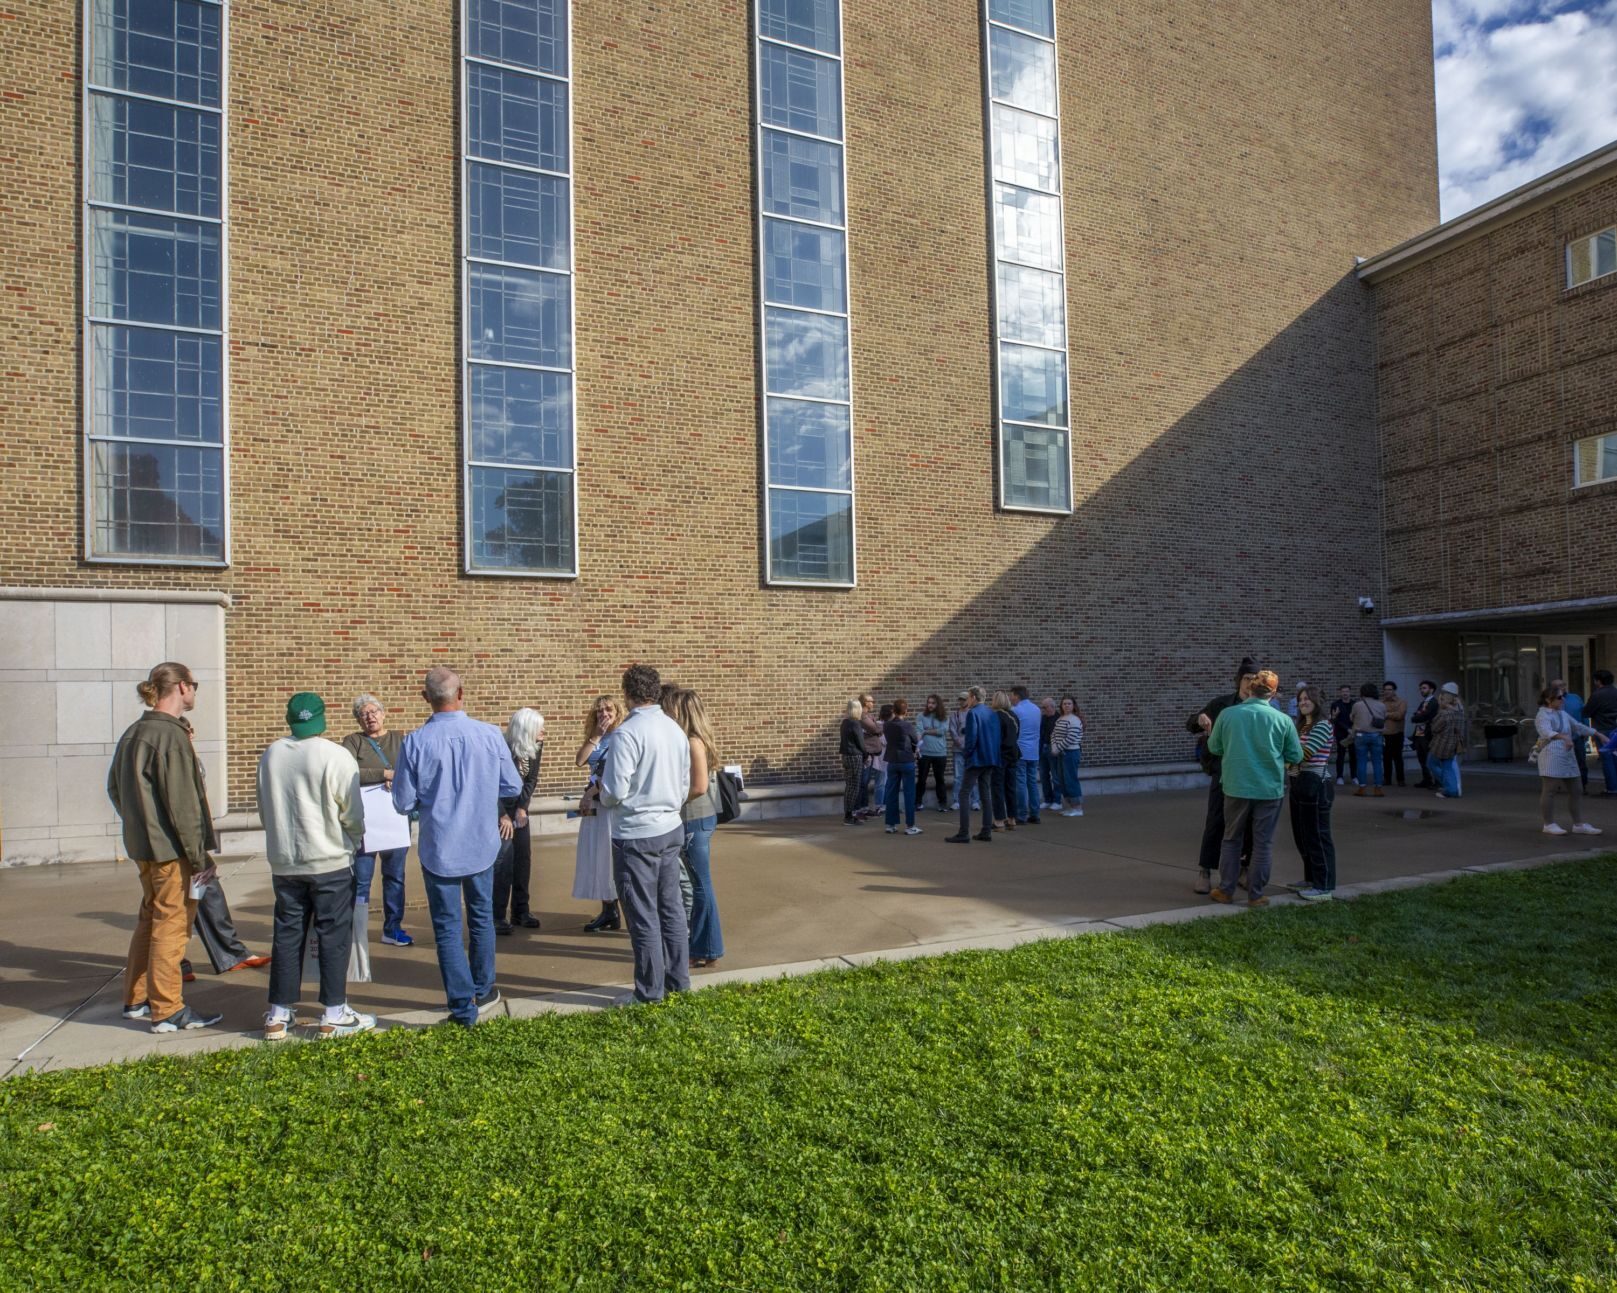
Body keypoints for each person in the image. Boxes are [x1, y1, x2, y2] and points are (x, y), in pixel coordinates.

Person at [391, 666, 520, 1027]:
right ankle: (483, 989)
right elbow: (511, 786)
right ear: (461, 693)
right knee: (481, 920)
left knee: (447, 929)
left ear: (425, 698)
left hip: (440, 848)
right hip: (480, 844)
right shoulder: (490, 735)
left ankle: (464, 1007)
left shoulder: (414, 742)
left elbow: (402, 802)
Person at [108, 662, 224, 1033]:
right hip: (171, 852)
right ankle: (168, 1010)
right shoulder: (168, 736)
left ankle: (137, 999)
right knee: (171, 928)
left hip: (144, 848)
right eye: (194, 686)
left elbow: (114, 788)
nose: (195, 694)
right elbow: (184, 806)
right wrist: (198, 857)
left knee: (150, 920)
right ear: (183, 687)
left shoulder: (135, 732)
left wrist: (140, 826)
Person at [256, 692, 374, 1041]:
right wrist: (354, 840)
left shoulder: (272, 754)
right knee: (333, 935)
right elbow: (352, 812)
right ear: (322, 718)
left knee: (287, 934)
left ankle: (278, 1014)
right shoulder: (335, 755)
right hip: (329, 860)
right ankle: (334, 1012)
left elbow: (264, 808)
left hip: (285, 861)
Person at [599, 664, 692, 1004]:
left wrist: (600, 790)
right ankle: (678, 982)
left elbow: (613, 791)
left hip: (636, 833)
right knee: (671, 909)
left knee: (643, 915)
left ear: (628, 693)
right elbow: (684, 784)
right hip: (670, 826)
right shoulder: (674, 729)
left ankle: (650, 993)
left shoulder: (626, 733)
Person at [1207, 670, 1302, 907]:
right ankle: (1256, 894)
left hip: (1235, 786)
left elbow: (1214, 747)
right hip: (1269, 788)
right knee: (1263, 843)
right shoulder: (1283, 720)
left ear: (1250, 689)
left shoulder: (1228, 715)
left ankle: (1225, 890)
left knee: (1231, 839)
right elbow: (1295, 755)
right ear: (1274, 692)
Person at [341, 693, 413, 947]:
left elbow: (412, 769)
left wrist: (398, 778)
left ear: (384, 714)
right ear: (358, 720)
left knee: (395, 876)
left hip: (394, 820)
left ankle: (393, 928)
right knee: (362, 877)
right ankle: (356, 931)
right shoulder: (353, 742)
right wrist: (383, 773)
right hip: (365, 822)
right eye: (364, 714)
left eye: (374, 712)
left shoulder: (400, 740)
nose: (370, 717)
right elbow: (347, 772)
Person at [663, 688, 725, 969]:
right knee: (701, 885)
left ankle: (704, 948)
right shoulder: (696, 740)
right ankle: (708, 947)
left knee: (701, 887)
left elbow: (698, 787)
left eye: (675, 708)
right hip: (699, 818)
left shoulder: (692, 742)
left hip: (694, 819)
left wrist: (670, 800)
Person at [1188, 658, 1260, 895]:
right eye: (1246, 679)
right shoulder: (1221, 704)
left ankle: (1243, 868)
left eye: (1254, 679)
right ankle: (1205, 870)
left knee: (1249, 822)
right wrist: (1200, 719)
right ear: (1239, 680)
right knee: (1216, 820)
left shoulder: (1262, 707)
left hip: (1250, 773)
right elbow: (1192, 724)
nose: (1250, 683)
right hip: (1223, 772)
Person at [573, 695, 624, 929]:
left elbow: (617, 773)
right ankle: (609, 910)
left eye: (608, 710)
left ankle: (625, 909)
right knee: (596, 856)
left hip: (609, 802)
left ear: (617, 712)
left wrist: (590, 792)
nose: (604, 714)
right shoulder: (597, 736)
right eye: (600, 711)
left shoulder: (623, 735)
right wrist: (595, 735)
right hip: (594, 802)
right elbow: (581, 761)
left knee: (611, 855)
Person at [493, 708, 544, 935]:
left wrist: (523, 808)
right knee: (504, 863)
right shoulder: (501, 749)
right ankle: (497, 914)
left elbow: (531, 779)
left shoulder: (535, 746)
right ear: (526, 730)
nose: (543, 732)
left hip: (520, 808)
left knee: (523, 859)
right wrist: (502, 814)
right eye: (539, 728)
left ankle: (520, 910)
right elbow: (491, 785)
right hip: (501, 808)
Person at [1287, 685, 1337, 901]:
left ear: (1317, 701)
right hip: (1298, 781)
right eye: (1300, 699)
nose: (1303, 702)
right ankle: (1310, 879)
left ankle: (1324, 886)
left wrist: (1286, 755)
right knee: (1302, 835)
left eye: (1307, 698)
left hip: (1315, 783)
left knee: (1317, 835)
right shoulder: (1301, 726)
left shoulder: (1323, 725)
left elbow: (1305, 753)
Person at [1533, 686, 1604, 838]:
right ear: (1548, 700)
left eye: (1563, 696)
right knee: (1550, 790)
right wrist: (1564, 737)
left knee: (1577, 789)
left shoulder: (1562, 713)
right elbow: (1545, 732)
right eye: (1559, 697)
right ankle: (1549, 823)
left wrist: (1597, 734)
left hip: (1567, 754)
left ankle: (1579, 824)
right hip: (1551, 753)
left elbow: (1577, 726)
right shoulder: (1543, 714)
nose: (1563, 699)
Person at [946, 686, 1000, 843]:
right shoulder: (991, 713)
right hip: (990, 758)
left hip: (976, 759)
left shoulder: (973, 713)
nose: (967, 700)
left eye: (969, 697)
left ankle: (963, 833)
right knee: (985, 794)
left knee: (964, 794)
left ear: (974, 698)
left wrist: (967, 754)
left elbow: (971, 739)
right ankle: (986, 830)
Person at [882, 698, 922, 835]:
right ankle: (910, 826)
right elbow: (915, 741)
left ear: (893, 710)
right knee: (909, 793)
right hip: (906, 760)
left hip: (892, 760)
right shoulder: (907, 726)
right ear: (906, 711)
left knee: (891, 793)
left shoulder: (886, 725)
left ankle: (890, 824)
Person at [1426, 683, 1467, 799]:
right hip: (1453, 744)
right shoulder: (1460, 712)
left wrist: (1440, 707)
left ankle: (1451, 789)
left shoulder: (1444, 714)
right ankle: (1450, 787)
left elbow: (1434, 728)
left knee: (1432, 764)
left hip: (1441, 744)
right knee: (1447, 766)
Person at [1010, 685, 1043, 824]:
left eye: (1011, 695)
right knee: (1032, 783)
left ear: (1017, 696)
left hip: (1020, 751)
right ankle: (1035, 814)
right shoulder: (1036, 709)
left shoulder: (1015, 710)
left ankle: (1021, 815)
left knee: (1020, 783)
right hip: (1034, 751)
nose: (1010, 698)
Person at [990, 690, 1021, 831]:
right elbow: (1017, 733)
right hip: (1013, 753)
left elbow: (994, 737)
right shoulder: (1013, 715)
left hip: (1000, 754)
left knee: (997, 787)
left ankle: (999, 820)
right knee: (1010, 787)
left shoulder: (996, 716)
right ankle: (1012, 818)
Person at [1350, 682, 1387, 797]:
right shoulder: (1382, 705)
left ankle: (1362, 788)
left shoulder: (1357, 705)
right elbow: (1384, 717)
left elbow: (1352, 717)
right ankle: (1378, 788)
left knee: (1361, 762)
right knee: (1377, 762)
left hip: (1361, 735)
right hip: (1376, 735)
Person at [916, 694, 950, 813]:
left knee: (940, 779)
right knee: (921, 779)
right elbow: (919, 732)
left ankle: (942, 803)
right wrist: (918, 745)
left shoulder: (944, 717)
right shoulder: (921, 716)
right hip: (924, 753)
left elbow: (942, 731)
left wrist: (926, 731)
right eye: (929, 702)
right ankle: (918, 802)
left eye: (933, 703)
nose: (930, 705)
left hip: (940, 753)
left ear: (938, 704)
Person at [1051, 696, 1084, 817]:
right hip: (1060, 753)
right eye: (1064, 704)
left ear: (1073, 706)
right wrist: (1054, 746)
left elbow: (1071, 738)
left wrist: (1058, 748)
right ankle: (1070, 807)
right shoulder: (1060, 719)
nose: (1066, 706)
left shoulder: (1075, 720)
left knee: (1071, 780)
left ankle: (1078, 808)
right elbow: (1053, 734)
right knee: (1062, 781)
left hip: (1070, 753)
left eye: (1069, 704)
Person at [948, 690, 979, 813]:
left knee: (973, 776)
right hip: (958, 750)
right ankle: (956, 801)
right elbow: (953, 731)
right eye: (960, 699)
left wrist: (971, 746)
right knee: (958, 777)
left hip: (972, 751)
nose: (962, 702)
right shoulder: (955, 715)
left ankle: (975, 800)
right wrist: (961, 744)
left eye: (964, 699)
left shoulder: (974, 713)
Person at [1587, 670, 1617, 796]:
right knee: (1615, 758)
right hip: (1615, 728)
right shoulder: (1615, 692)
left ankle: (1611, 788)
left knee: (1607, 759)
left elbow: (1587, 711)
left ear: (1598, 681)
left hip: (1602, 729)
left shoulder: (1597, 695)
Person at [839, 698, 868, 826]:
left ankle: (848, 814)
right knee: (854, 787)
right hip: (855, 756)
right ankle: (849, 816)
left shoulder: (844, 722)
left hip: (845, 756)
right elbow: (861, 743)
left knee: (849, 786)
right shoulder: (855, 723)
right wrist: (866, 755)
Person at [854, 692, 882, 818]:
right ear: (865, 703)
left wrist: (877, 728)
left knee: (865, 781)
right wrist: (878, 728)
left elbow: (875, 729)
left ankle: (864, 808)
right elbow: (876, 729)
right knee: (863, 782)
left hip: (871, 752)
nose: (873, 703)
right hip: (867, 753)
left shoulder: (868, 715)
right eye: (871, 701)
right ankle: (859, 809)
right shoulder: (863, 716)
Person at [1409, 680, 1439, 790]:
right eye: (1421, 688)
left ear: (1431, 689)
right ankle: (1427, 779)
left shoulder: (1434, 702)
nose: (1422, 690)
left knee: (1430, 758)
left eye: (1424, 688)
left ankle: (1437, 781)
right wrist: (1418, 716)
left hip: (1428, 734)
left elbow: (1425, 716)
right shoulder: (1423, 702)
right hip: (1419, 733)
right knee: (1421, 758)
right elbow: (1415, 716)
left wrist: (1418, 716)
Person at [1381, 681, 1407, 788]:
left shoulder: (1401, 702)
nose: (1387, 692)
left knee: (1397, 757)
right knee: (1386, 758)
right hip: (1384, 734)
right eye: (1385, 689)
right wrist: (1392, 714)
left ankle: (1401, 779)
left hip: (1397, 733)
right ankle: (1387, 779)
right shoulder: (1381, 702)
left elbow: (1400, 715)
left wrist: (1386, 714)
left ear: (1394, 690)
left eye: (1390, 689)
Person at [1329, 684, 1356, 785]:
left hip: (1353, 732)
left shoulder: (1354, 704)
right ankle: (1340, 777)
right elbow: (1334, 719)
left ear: (1350, 692)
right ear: (1340, 692)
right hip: (1341, 733)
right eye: (1343, 691)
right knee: (1341, 755)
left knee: (1354, 755)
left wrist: (1352, 729)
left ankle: (1354, 776)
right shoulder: (1336, 704)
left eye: (1347, 691)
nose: (1345, 693)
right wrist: (1347, 728)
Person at [1037, 697, 1060, 811]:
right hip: (1043, 748)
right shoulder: (1043, 718)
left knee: (1055, 776)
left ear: (1052, 707)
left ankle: (1057, 801)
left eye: (1044, 707)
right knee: (1043, 775)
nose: (1043, 709)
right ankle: (1047, 800)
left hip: (1053, 748)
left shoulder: (1059, 719)